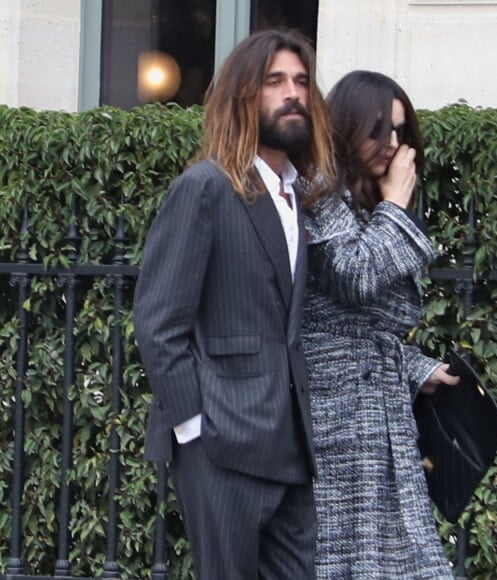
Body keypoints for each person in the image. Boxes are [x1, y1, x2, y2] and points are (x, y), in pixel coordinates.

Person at [133, 29, 335, 580]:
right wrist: (194, 428)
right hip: (221, 444)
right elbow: (158, 322)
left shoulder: (299, 194)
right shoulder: (206, 187)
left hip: (291, 443)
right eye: (274, 82)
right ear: (243, 95)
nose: (292, 93)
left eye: (300, 81)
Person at [301, 70, 459, 578]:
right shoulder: (316, 194)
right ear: (347, 128)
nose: (392, 145)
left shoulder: (368, 203)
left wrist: (415, 367)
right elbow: (355, 277)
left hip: (381, 418)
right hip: (335, 421)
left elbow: (365, 325)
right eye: (378, 130)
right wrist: (396, 205)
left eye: (400, 132)